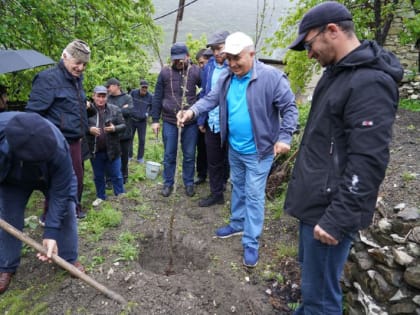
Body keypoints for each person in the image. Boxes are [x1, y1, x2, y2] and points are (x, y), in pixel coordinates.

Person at [285, 2, 403, 314]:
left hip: (329, 211)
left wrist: (336, 219)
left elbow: (368, 161)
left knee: (322, 301)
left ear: (333, 31)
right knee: (313, 292)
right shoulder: (337, 74)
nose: (309, 54)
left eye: (309, 45)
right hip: (316, 205)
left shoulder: (369, 83)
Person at [177, 32, 298, 267]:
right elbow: (209, 99)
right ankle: (237, 223)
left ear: (252, 54)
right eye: (229, 58)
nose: (232, 64)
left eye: (237, 58)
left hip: (260, 150)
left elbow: (290, 108)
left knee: (253, 194)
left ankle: (251, 242)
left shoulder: (271, 78)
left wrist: (284, 137)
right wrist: (191, 111)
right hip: (235, 147)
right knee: (238, 186)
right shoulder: (226, 78)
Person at [0, 112, 85, 294]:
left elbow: (61, 194)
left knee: (67, 212)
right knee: (9, 216)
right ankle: (6, 266)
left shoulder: (59, 148)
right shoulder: (2, 130)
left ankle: (69, 259)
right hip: (12, 178)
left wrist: (51, 232)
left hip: (49, 176)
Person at [26, 39, 91, 220]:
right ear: (64, 56)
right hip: (56, 142)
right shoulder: (47, 79)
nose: (81, 68)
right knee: (59, 182)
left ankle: (72, 211)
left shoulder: (76, 80)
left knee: (76, 180)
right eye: (77, 63)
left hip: (75, 140)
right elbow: (33, 115)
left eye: (84, 64)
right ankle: (50, 219)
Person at [151, 42, 201, 197]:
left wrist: (195, 106)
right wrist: (155, 120)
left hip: (190, 122)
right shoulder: (165, 73)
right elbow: (157, 96)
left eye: (181, 58)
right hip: (169, 120)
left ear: (188, 56)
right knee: (169, 154)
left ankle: (188, 182)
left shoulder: (195, 72)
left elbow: (207, 92)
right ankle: (168, 183)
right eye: (175, 59)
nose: (178, 62)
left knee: (189, 154)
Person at [197, 30, 230, 207]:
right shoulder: (209, 66)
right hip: (211, 120)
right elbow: (205, 93)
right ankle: (216, 193)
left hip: (228, 122)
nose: (217, 52)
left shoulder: (233, 67)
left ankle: (225, 184)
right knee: (213, 159)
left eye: (220, 48)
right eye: (214, 49)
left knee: (228, 158)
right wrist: (202, 119)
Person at [86, 86, 126, 207]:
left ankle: (120, 195)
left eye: (103, 96)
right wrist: (89, 129)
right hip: (95, 150)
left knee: (117, 175)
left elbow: (123, 125)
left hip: (113, 149)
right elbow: (79, 126)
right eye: (99, 96)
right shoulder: (87, 111)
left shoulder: (114, 109)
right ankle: (100, 196)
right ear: (93, 96)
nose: (101, 99)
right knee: (98, 176)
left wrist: (115, 128)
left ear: (107, 97)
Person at [106, 78, 133, 184]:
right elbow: (106, 112)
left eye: (109, 86)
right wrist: (121, 109)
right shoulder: (107, 98)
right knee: (110, 156)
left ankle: (124, 176)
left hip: (125, 133)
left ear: (116, 86)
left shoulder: (127, 97)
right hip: (111, 133)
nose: (108, 89)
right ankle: (108, 179)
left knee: (124, 156)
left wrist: (115, 110)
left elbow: (129, 111)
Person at [193, 48, 212, 185]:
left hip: (214, 119)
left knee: (217, 149)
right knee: (201, 148)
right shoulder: (202, 75)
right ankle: (201, 174)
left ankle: (219, 178)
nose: (201, 66)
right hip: (201, 117)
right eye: (199, 63)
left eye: (202, 62)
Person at [129, 79, 153, 163]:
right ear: (140, 87)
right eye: (143, 87)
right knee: (130, 138)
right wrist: (130, 110)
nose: (144, 89)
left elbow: (152, 108)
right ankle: (129, 156)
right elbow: (128, 101)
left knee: (142, 140)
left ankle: (140, 157)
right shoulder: (133, 92)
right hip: (132, 120)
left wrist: (147, 114)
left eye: (146, 88)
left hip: (142, 122)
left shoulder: (150, 96)